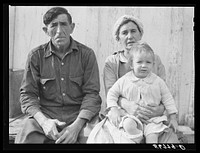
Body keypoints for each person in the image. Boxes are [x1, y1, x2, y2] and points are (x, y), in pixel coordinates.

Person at [15, 7, 102, 144]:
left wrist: (76, 127)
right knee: (26, 138)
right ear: (46, 30)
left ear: (72, 27)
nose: (59, 31)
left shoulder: (87, 55)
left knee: (97, 138)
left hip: (79, 116)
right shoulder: (35, 56)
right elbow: (27, 95)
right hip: (46, 116)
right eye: (53, 25)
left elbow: (92, 94)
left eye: (63, 24)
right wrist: (44, 122)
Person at [94, 14, 179, 143]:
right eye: (124, 33)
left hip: (153, 117)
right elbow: (111, 93)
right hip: (124, 115)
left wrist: (160, 110)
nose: (130, 36)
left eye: (133, 31)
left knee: (169, 141)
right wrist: (127, 106)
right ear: (118, 38)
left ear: (140, 34)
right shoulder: (112, 62)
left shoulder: (154, 59)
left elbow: (164, 93)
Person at [106, 41, 179, 143]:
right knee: (128, 125)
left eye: (148, 62)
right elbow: (112, 93)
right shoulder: (124, 80)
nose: (144, 65)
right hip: (132, 117)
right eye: (139, 62)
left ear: (153, 64)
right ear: (131, 64)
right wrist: (114, 109)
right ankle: (138, 140)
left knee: (152, 136)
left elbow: (168, 98)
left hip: (152, 119)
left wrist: (173, 117)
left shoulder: (157, 81)